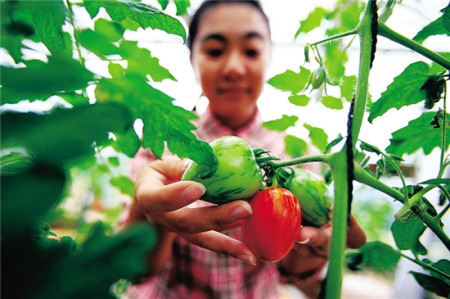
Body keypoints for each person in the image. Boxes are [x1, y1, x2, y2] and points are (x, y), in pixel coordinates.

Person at [122, 1, 366, 298]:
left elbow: (289, 268)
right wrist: (149, 211)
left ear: (268, 59)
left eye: (251, 51)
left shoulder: (299, 153)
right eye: (214, 51)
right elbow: (135, 271)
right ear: (192, 59)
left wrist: (309, 252)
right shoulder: (163, 142)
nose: (234, 68)